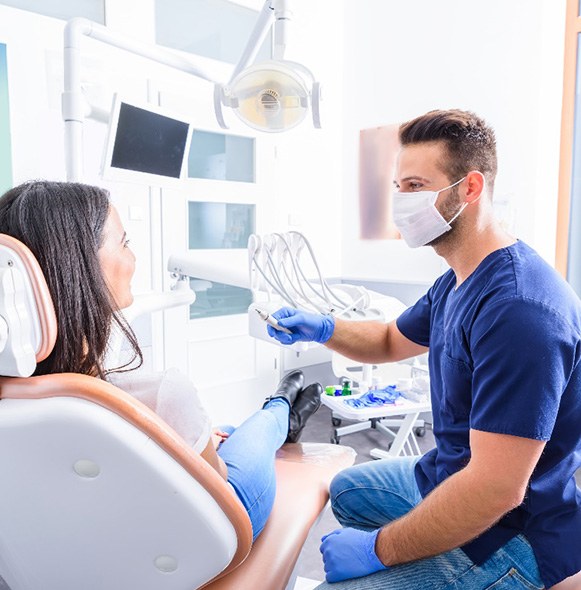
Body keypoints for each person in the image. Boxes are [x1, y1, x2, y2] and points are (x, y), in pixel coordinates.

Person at [267, 110, 581, 588]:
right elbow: (392, 338)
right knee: (346, 491)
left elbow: (496, 490)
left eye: (415, 186)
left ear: (469, 189)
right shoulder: (457, 280)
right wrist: (323, 327)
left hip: (510, 533)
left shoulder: (520, 310)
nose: (400, 202)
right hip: (450, 475)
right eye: (398, 186)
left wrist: (379, 550)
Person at [0, 179, 322, 542]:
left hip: (84, 554)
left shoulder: (16, 399)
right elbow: (218, 490)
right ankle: (281, 408)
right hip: (207, 542)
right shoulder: (161, 394)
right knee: (257, 432)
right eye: (124, 243)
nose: (133, 257)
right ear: (82, 266)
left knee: (226, 432)